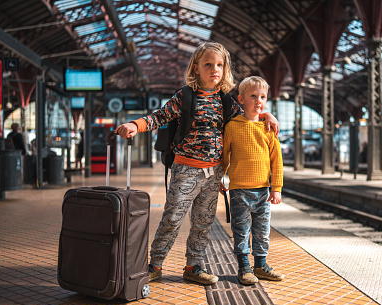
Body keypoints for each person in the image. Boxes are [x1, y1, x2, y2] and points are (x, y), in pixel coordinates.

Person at [115, 42, 279, 285]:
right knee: (172, 219)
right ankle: (154, 264)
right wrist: (135, 125)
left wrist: (267, 114)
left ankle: (193, 266)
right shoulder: (185, 96)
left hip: (213, 175)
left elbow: (249, 116)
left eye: (220, 65)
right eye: (208, 64)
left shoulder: (226, 102)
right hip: (185, 170)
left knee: (203, 224)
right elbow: (160, 116)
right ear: (196, 68)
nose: (215, 69)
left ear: (225, 70)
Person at [220, 76, 284, 285]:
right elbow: (224, 157)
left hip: (263, 192)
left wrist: (277, 188)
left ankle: (261, 265)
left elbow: (277, 161)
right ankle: (244, 267)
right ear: (240, 99)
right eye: (253, 96)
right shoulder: (232, 127)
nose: (259, 101)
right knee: (241, 230)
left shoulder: (268, 128)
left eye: (263, 97)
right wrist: (219, 178)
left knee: (262, 231)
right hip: (238, 191)